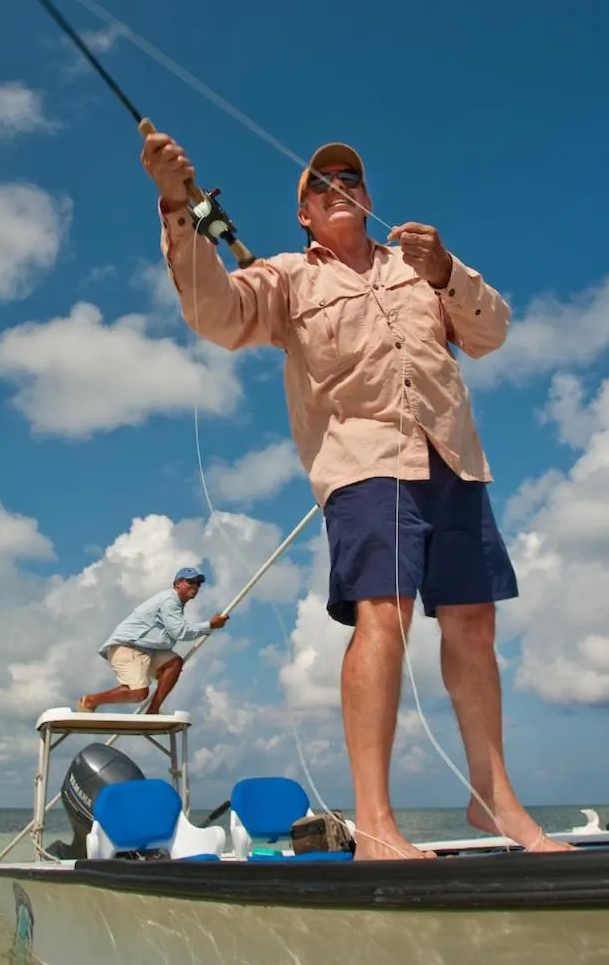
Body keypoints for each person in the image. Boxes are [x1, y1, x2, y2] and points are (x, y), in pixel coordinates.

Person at [140, 130, 573, 860]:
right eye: (320, 183)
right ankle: (375, 823)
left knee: (474, 624)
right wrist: (176, 203)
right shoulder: (285, 280)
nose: (337, 184)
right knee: (384, 616)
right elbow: (213, 313)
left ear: (368, 199)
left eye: (350, 177)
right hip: (364, 463)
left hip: (455, 461)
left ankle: (492, 798)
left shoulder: (420, 267)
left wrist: (446, 273)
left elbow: (492, 332)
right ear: (305, 214)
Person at [77, 567, 228, 716]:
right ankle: (91, 700)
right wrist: (209, 625)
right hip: (128, 646)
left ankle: (153, 710)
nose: (195, 586)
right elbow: (180, 632)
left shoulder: (176, 604)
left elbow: (170, 636)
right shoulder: (170, 600)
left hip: (145, 649)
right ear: (177, 584)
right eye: (191, 582)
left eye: (198, 583)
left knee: (174, 663)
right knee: (139, 693)